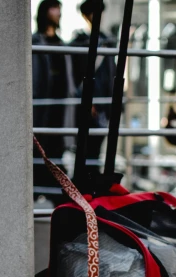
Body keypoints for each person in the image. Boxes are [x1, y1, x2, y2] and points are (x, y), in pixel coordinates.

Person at [32, 0, 75, 201]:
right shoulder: (34, 41)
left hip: (59, 107)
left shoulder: (61, 44)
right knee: (37, 154)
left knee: (55, 155)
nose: (57, 12)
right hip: (40, 109)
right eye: (53, 8)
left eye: (58, 9)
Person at [71, 0, 116, 176]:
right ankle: (84, 184)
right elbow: (76, 76)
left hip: (105, 103)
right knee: (86, 147)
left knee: (96, 148)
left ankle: (91, 184)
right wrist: (87, 101)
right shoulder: (80, 42)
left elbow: (111, 73)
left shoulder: (107, 41)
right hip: (89, 103)